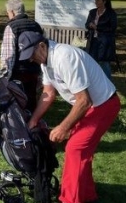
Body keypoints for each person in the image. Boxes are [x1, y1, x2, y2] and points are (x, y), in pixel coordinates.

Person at [18, 31, 120, 203]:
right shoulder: (45, 59)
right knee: (80, 150)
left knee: (75, 148)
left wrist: (63, 127)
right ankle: (87, 196)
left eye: (31, 54)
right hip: (89, 105)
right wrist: (33, 120)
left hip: (103, 105)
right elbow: (48, 93)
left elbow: (84, 101)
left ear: (42, 45)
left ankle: (69, 200)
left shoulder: (64, 57)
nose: (30, 60)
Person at [0, 0, 43, 112]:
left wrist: (5, 77)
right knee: (31, 99)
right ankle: (33, 123)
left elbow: (8, 55)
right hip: (34, 69)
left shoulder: (11, 27)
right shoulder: (36, 25)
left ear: (12, 12)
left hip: (18, 72)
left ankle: (20, 124)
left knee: (18, 102)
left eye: (8, 12)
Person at [84, 0, 117, 80]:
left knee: (104, 62)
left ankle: (108, 83)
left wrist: (97, 27)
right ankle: (95, 82)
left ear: (104, 1)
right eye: (95, 0)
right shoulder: (92, 12)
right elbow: (87, 24)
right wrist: (90, 25)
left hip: (105, 41)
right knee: (92, 61)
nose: (96, 2)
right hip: (93, 40)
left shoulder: (111, 13)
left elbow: (112, 28)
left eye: (98, 0)